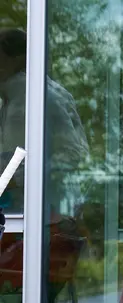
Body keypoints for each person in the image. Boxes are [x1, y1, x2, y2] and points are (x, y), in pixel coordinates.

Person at [0, 28, 90, 215]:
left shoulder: (39, 97)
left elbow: (73, 153)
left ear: (16, 59)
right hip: (22, 212)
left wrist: (16, 179)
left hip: (42, 215)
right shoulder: (12, 98)